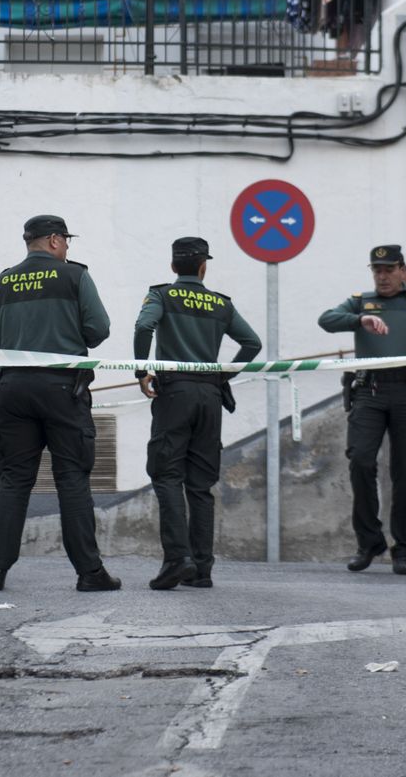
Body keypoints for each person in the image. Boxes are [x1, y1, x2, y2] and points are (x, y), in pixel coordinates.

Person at [0, 215, 117, 592]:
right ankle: (90, 573)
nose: (68, 247)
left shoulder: (2, 281)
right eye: (67, 241)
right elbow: (99, 330)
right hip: (61, 389)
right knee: (71, 478)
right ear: (54, 240)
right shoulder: (73, 276)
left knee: (13, 479)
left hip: (12, 389)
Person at [318, 245, 406, 576]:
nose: (382, 276)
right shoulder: (361, 302)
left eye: (388, 269)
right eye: (376, 270)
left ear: (402, 270)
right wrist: (360, 319)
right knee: (360, 459)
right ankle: (369, 541)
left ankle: (404, 548)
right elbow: (326, 320)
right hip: (369, 391)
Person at [133, 237, 262, 589]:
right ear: (204, 266)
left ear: (174, 266)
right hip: (210, 395)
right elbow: (252, 344)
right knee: (201, 484)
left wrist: (142, 371)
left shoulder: (161, 295)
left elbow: (144, 326)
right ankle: (202, 568)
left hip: (175, 394)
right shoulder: (221, 303)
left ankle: (178, 559)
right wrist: (225, 375)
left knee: (167, 474)